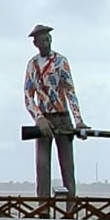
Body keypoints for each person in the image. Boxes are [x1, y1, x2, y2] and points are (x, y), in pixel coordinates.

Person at [24, 24, 88, 198]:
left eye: (47, 38)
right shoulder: (32, 65)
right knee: (42, 167)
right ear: (35, 43)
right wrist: (39, 118)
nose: (46, 42)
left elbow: (70, 91)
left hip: (63, 118)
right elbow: (28, 96)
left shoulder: (61, 61)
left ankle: (70, 213)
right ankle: (43, 212)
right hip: (44, 119)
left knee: (67, 166)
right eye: (41, 39)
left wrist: (78, 120)